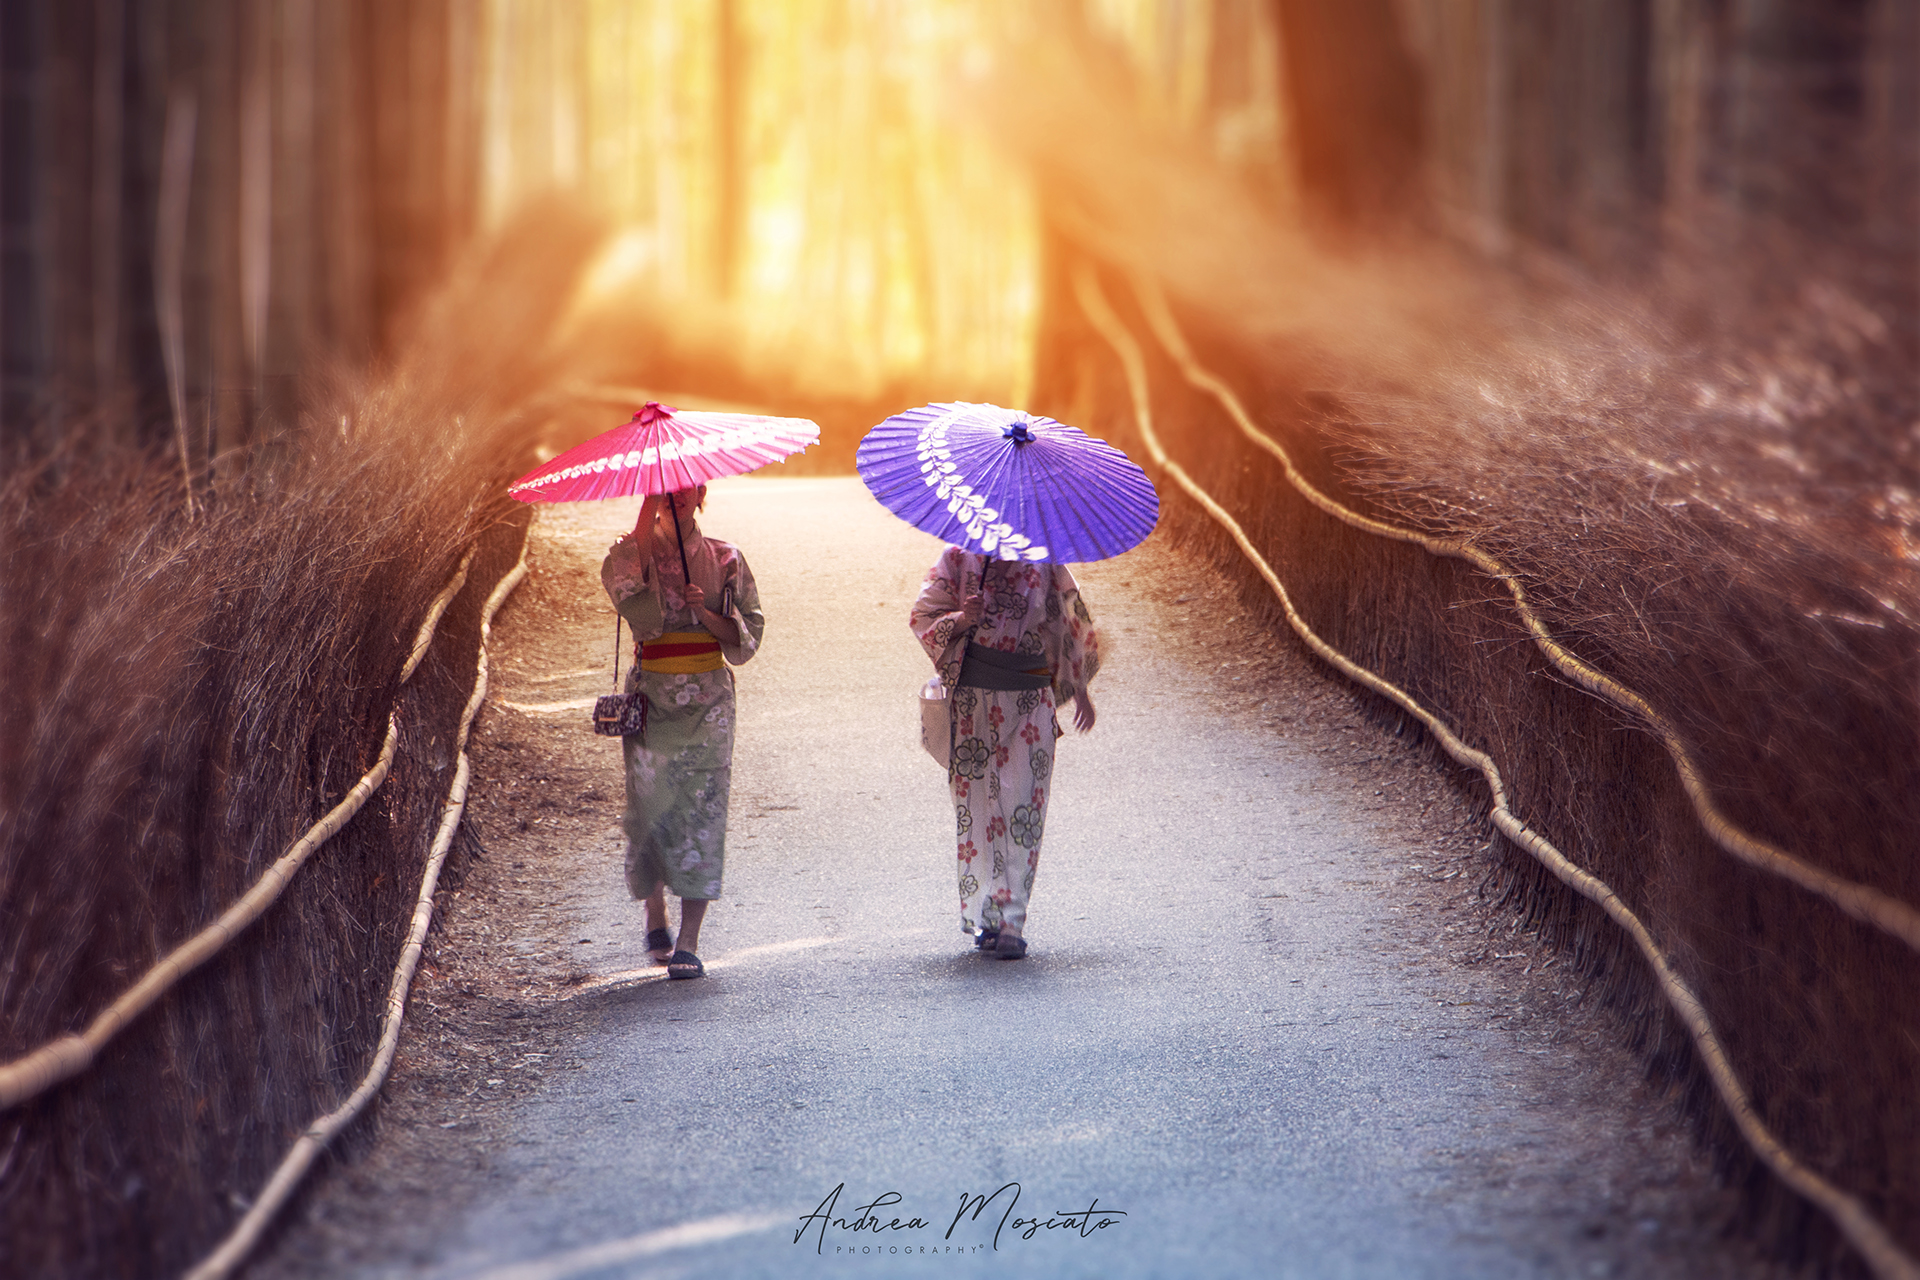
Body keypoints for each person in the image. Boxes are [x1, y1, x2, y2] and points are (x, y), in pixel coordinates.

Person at [601, 485, 763, 979]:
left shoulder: (726, 557)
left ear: (701, 492)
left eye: (685, 491)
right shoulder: (628, 554)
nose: (677, 498)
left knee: (704, 807)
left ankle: (690, 941)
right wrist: (647, 511)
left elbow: (748, 631)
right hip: (652, 695)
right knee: (649, 809)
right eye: (665, 492)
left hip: (710, 699)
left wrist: (707, 612)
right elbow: (636, 608)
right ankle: (656, 911)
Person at [910, 548, 1100, 959]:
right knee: (977, 809)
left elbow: (1072, 620)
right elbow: (921, 616)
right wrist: (962, 618)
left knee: (1022, 810)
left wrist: (1080, 686)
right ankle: (985, 916)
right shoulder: (959, 560)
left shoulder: (1046, 562)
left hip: (1031, 698)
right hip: (973, 699)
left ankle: (1012, 919)